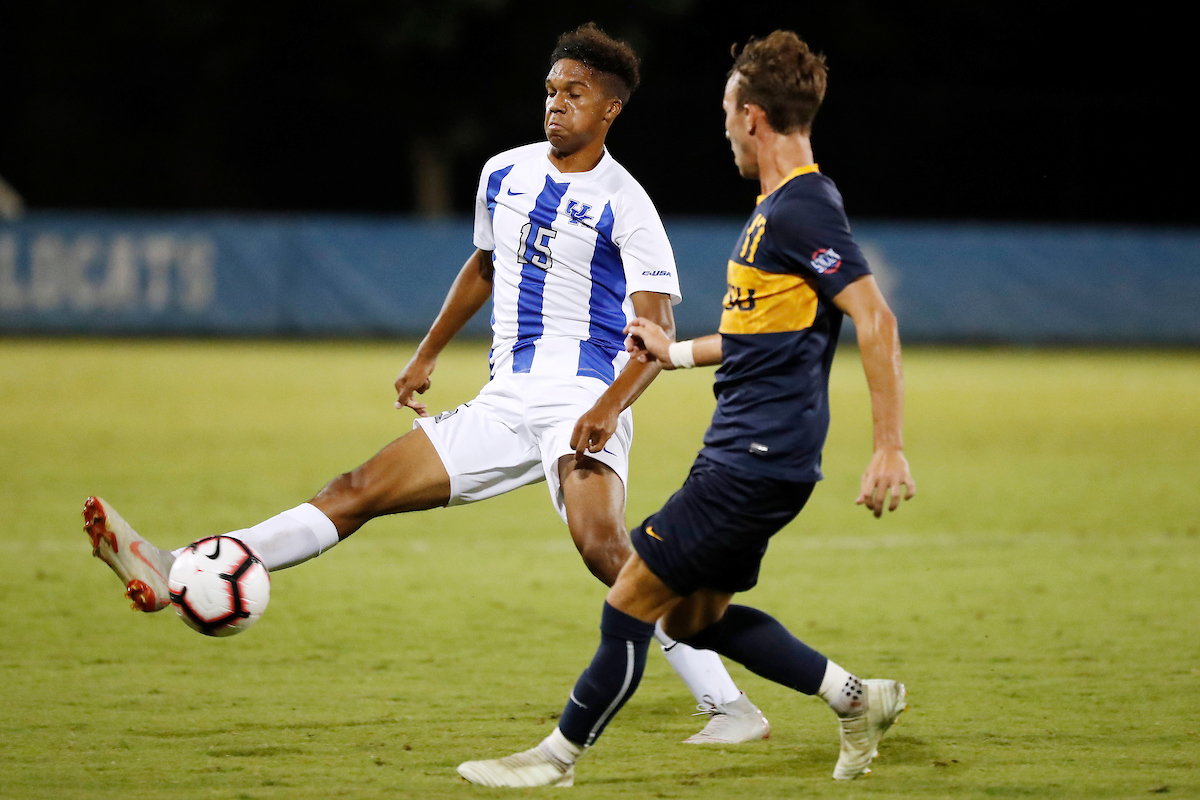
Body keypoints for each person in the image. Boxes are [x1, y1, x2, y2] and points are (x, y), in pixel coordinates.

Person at [83, 23, 770, 745]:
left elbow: (656, 335)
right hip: (504, 403)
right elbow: (485, 267)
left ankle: (730, 705)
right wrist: (428, 352)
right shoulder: (503, 173)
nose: (556, 104)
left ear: (610, 109)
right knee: (356, 489)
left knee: (602, 547)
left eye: (575, 93)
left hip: (582, 399)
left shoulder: (627, 204)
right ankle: (179, 567)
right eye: (550, 90)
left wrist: (606, 407)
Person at [456, 29, 916, 788]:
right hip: (764, 456)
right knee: (694, 617)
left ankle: (554, 761)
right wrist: (671, 353)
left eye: (728, 111)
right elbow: (759, 336)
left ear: (752, 117)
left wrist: (888, 445)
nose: (724, 127)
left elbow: (876, 318)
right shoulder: (782, 209)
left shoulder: (801, 209)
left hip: (752, 456)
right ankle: (857, 699)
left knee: (631, 597)